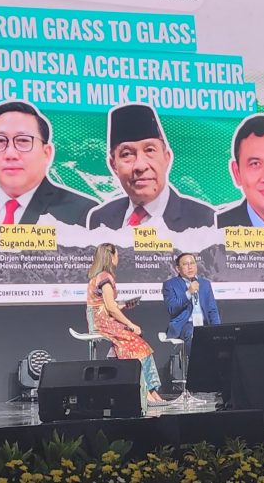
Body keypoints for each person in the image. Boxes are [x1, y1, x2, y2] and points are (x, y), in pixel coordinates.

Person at [0, 101, 97, 226]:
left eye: (23, 141)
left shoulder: (82, 212)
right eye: (0, 141)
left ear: (47, 153)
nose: (10, 154)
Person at [87, 103, 214, 232]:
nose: (140, 166)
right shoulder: (100, 219)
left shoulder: (204, 221)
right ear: (113, 165)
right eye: (127, 154)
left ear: (167, 158)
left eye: (150, 150)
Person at [86, 242, 165, 404]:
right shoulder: (105, 278)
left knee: (142, 347)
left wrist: (122, 305)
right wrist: (130, 324)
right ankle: (144, 392)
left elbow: (108, 304)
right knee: (137, 346)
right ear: (111, 256)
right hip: (103, 321)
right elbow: (110, 308)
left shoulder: (100, 276)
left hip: (103, 317)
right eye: (117, 254)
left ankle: (151, 391)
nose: (119, 258)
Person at [162, 252, 221, 357]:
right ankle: (193, 366)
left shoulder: (205, 284)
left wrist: (218, 329)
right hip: (184, 325)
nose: (190, 267)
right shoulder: (170, 285)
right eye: (185, 264)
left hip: (204, 324)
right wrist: (188, 293)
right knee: (193, 333)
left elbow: (212, 310)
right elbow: (172, 308)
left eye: (192, 263)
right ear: (177, 269)